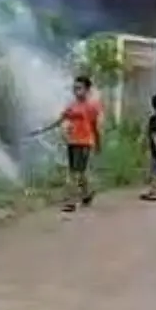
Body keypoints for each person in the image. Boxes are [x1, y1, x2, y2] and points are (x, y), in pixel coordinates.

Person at [30, 75, 102, 212]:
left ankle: (72, 201)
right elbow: (59, 121)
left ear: (87, 90)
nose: (76, 91)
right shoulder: (71, 106)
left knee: (76, 173)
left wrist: (98, 143)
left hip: (85, 142)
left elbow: (95, 127)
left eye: (79, 88)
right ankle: (86, 194)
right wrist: (41, 130)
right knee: (77, 172)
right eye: (74, 88)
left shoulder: (91, 107)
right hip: (72, 142)